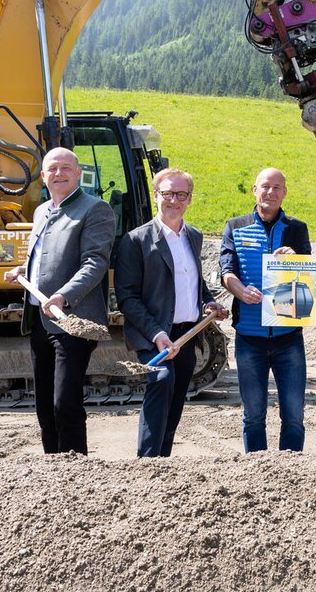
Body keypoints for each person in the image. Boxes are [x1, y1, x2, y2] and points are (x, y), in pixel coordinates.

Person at [4, 147, 115, 456]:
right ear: (43, 176)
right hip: (40, 321)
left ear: (79, 173)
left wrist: (64, 295)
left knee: (65, 403)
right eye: (52, 169)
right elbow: (46, 256)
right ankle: (53, 465)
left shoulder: (95, 209)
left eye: (66, 168)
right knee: (44, 405)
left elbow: (95, 262)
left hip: (73, 320)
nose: (59, 173)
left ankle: (74, 466)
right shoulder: (41, 211)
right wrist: (25, 270)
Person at [115, 167, 228, 458]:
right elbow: (127, 298)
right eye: (167, 194)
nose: (174, 201)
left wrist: (208, 302)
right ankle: (148, 460)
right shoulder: (136, 240)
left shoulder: (194, 236)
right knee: (162, 381)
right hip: (153, 334)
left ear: (189, 198)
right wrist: (156, 334)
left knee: (177, 397)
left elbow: (194, 281)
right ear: (156, 195)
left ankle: (163, 461)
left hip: (187, 334)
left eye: (181, 194)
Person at [220, 167, 311, 452]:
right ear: (254, 190)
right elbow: (226, 271)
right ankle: (256, 469)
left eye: (277, 187)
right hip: (249, 339)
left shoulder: (297, 229)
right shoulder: (235, 226)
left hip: (289, 338)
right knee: (253, 416)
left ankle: (290, 467)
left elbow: (310, 274)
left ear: (285, 193)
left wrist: (297, 259)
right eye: (265, 186)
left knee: (294, 417)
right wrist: (240, 290)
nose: (270, 192)